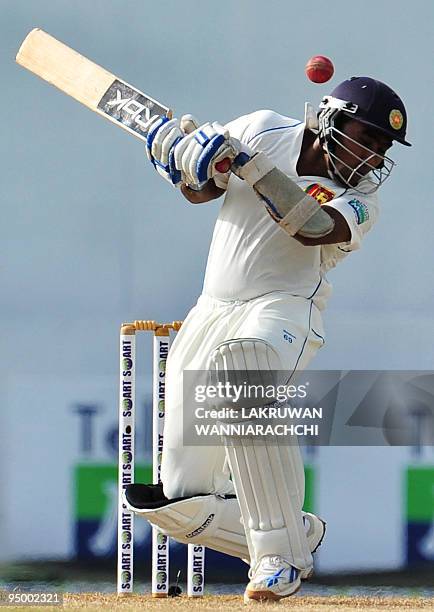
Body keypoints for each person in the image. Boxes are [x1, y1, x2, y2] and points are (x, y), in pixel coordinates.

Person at [125, 77, 411, 602]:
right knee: (179, 502)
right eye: (365, 136)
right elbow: (200, 192)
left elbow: (310, 225)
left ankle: (281, 558)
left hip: (284, 309)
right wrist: (186, 161)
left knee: (244, 371)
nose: (371, 155)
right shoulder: (261, 127)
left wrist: (251, 166)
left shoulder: (361, 200)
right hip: (210, 309)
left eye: (381, 147)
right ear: (329, 119)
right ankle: (290, 530)